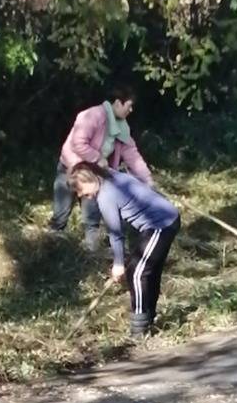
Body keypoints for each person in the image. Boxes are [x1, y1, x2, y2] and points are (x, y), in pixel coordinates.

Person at [71, 161, 181, 339]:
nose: (82, 194)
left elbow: (116, 234)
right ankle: (148, 319)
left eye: (81, 189)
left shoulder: (106, 196)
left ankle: (139, 329)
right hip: (162, 222)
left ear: (89, 179)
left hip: (160, 224)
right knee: (147, 271)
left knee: (137, 273)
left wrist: (119, 264)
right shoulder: (111, 176)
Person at [52, 89, 151, 244]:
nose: (131, 110)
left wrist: (147, 179)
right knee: (60, 215)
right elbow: (78, 143)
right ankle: (53, 244)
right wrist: (97, 158)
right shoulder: (92, 116)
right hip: (71, 168)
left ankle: (91, 254)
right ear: (118, 103)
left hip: (93, 175)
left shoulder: (121, 127)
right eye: (129, 106)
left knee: (92, 219)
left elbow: (132, 154)